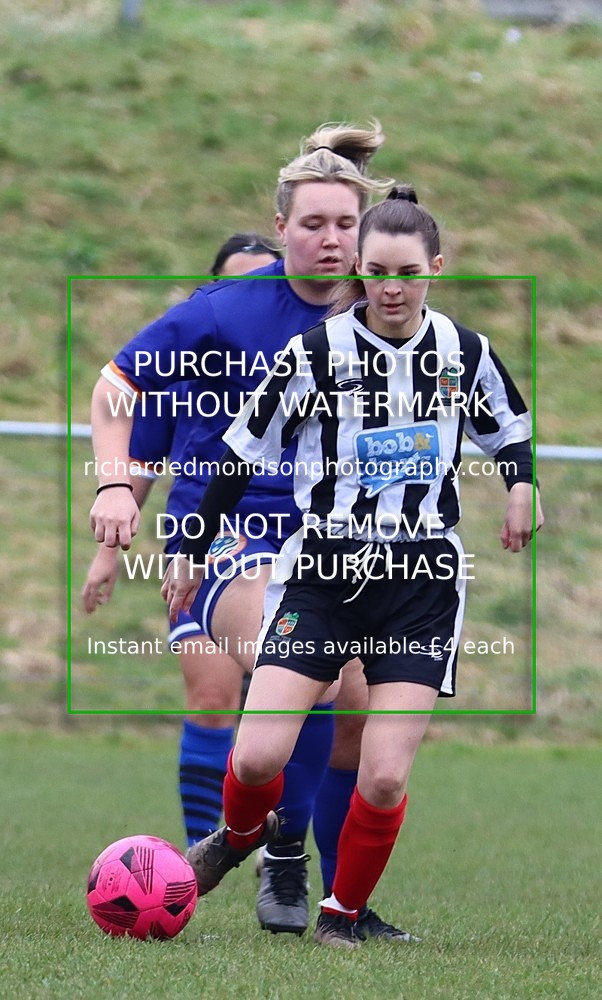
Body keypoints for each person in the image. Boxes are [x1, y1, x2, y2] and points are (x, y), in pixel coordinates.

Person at [161, 184, 544, 949]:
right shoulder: (314, 353)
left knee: (384, 775)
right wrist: (194, 545)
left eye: (407, 271)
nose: (392, 288)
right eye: (376, 271)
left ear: (435, 266)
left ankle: (342, 916)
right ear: (359, 273)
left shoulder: (462, 352)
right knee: (262, 751)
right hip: (322, 575)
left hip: (421, 587)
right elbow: (241, 454)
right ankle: (237, 836)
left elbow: (511, 430)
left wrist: (521, 490)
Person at [88, 122, 408, 941]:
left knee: (358, 729)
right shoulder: (224, 313)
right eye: (313, 223)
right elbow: (116, 387)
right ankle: (280, 857)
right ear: (281, 228)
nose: (331, 239)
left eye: (345, 223)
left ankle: (346, 908)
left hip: (353, 543)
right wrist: (118, 484)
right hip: (241, 538)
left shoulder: (392, 315)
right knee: (309, 668)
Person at [82, 233, 280, 845]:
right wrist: (106, 554)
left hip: (297, 542)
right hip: (204, 544)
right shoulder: (183, 373)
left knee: (301, 703)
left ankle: (284, 851)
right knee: (215, 693)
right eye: (237, 281)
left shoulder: (312, 357)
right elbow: (137, 463)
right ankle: (203, 851)